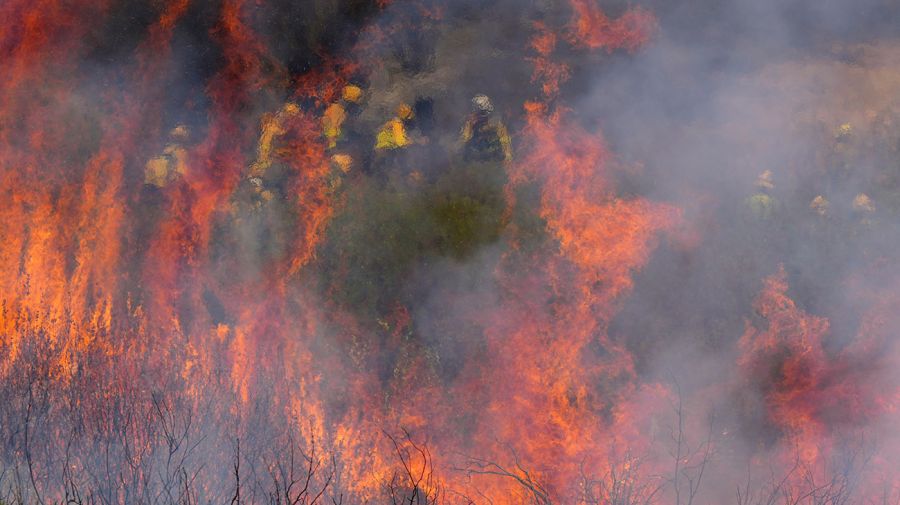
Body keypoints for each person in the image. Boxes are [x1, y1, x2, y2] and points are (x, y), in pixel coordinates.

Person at [460, 94, 512, 163]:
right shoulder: (471, 121)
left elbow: (504, 139)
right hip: (475, 155)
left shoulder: (495, 123)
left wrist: (507, 154)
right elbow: (465, 138)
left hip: (491, 155)